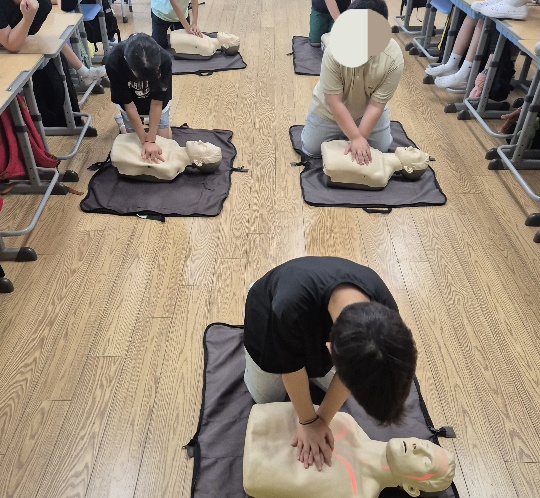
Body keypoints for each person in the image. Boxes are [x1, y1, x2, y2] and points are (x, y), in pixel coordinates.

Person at [243, 257, 418, 472]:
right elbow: (291, 371)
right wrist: (308, 422)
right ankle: (258, 287)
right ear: (330, 349)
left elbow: (358, 373)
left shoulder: (386, 309)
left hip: (313, 324)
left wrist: (322, 420)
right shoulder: (289, 306)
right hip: (271, 311)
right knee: (266, 398)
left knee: (334, 392)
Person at [244, 403, 456, 498]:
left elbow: (256, 481)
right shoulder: (347, 424)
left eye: (426, 462)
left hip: (254, 471)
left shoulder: (357, 494)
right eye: (427, 445)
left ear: (411, 488)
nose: (419, 447)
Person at [301, 0, 404, 165]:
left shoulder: (393, 57)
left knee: (382, 148)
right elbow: (334, 102)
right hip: (329, 111)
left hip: (367, 110)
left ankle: (353, 132)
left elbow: (376, 105)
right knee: (310, 149)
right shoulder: (334, 50)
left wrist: (360, 138)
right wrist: (355, 138)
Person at [0, 0, 106, 86]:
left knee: (53, 39)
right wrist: (28, 17)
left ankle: (85, 72)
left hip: (12, 35)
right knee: (46, 39)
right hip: (7, 45)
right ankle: (85, 73)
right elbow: (12, 45)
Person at [105, 33, 173, 164]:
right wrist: (144, 141)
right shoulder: (114, 62)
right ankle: (123, 124)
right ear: (127, 60)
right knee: (136, 149)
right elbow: (129, 105)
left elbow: (157, 103)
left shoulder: (164, 60)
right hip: (130, 102)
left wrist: (151, 140)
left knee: (165, 144)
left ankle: (145, 121)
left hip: (156, 102)